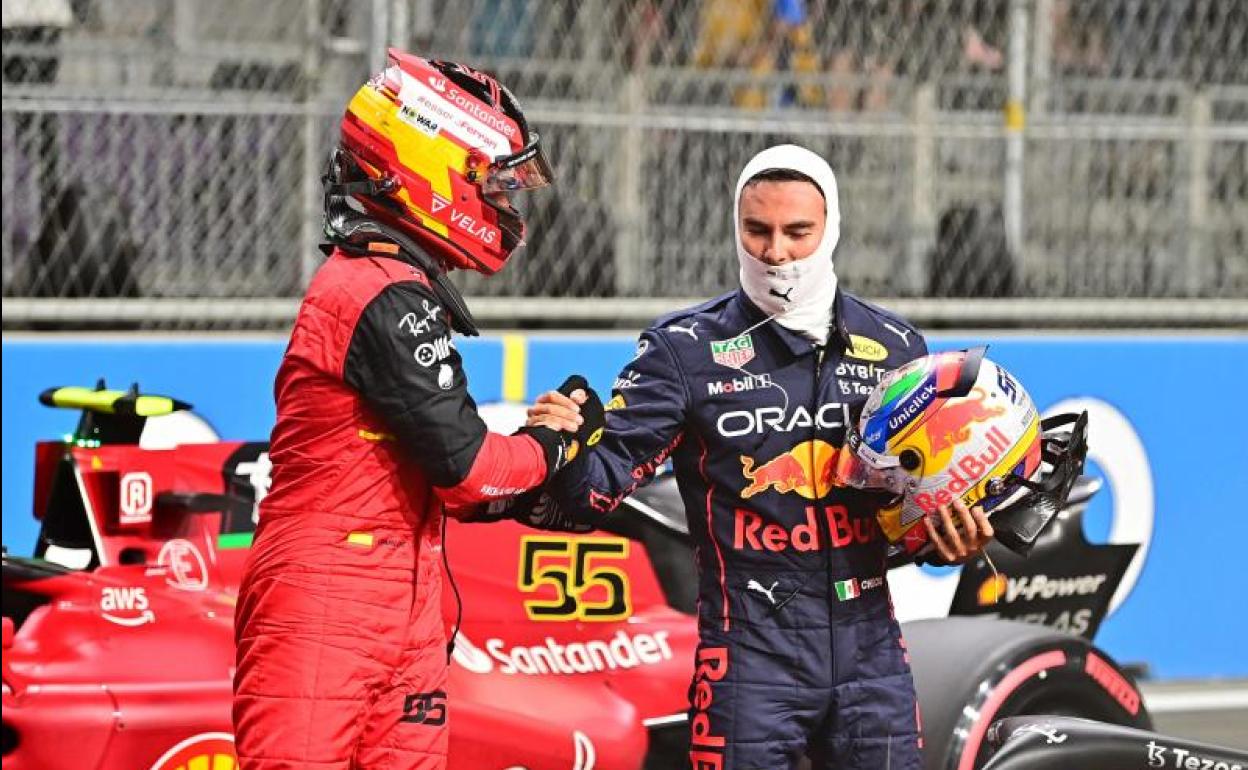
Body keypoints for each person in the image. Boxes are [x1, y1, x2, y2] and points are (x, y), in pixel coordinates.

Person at [527, 144, 995, 769]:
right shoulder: (682, 349)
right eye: (759, 230)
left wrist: (944, 541)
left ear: (832, 229)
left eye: (798, 232)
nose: (778, 252)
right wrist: (566, 445)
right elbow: (598, 489)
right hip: (748, 656)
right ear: (736, 228)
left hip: (870, 650)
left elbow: (906, 512)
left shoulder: (895, 344)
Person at [232, 49, 601, 770]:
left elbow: (454, 483)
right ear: (431, 168)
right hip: (327, 607)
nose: (506, 203)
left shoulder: (394, 284)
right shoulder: (375, 289)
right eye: (493, 182)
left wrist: (542, 469)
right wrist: (553, 447)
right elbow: (467, 470)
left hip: (404, 598)